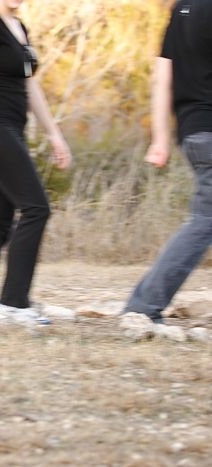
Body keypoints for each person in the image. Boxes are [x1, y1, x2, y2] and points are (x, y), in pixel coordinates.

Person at [0, 0, 71, 323]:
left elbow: (28, 84)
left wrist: (53, 134)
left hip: (15, 130)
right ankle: (14, 302)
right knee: (37, 208)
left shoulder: (19, 28)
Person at [125, 0, 212, 324]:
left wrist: (160, 138)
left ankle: (144, 304)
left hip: (193, 132)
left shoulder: (180, 10)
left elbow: (162, 78)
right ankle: (144, 305)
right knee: (204, 221)